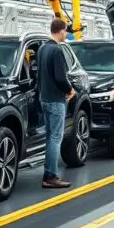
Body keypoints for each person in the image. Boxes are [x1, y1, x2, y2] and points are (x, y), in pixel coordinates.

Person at [38, 18, 74, 189]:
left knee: (49, 137)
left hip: (44, 98)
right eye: (65, 31)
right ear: (61, 31)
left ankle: (47, 173)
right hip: (55, 100)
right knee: (56, 138)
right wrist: (70, 91)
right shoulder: (57, 50)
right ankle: (51, 176)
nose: (66, 34)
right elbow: (61, 77)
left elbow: (39, 76)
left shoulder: (42, 49)